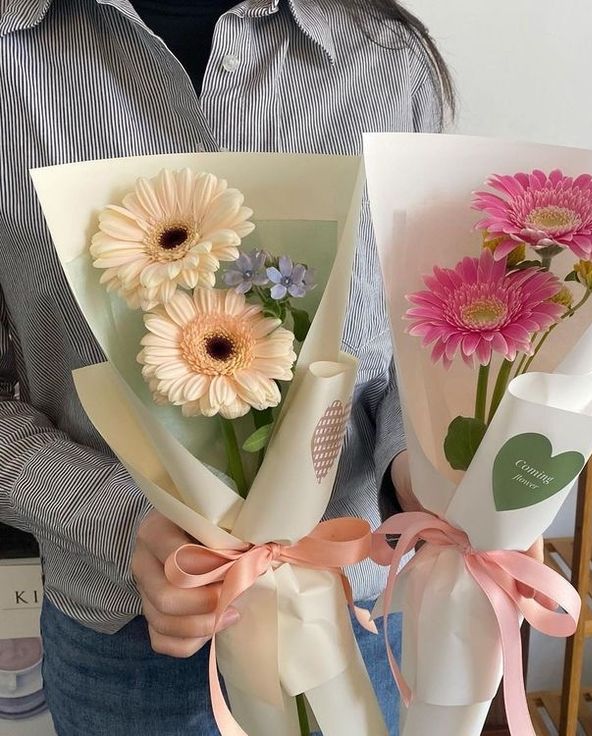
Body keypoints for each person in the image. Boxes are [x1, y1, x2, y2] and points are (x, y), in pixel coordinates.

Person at [0, 1, 542, 734]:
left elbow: (395, 354)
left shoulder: (384, 58)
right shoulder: (13, 60)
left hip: (354, 616)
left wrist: (430, 480)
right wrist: (122, 523)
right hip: (125, 640)